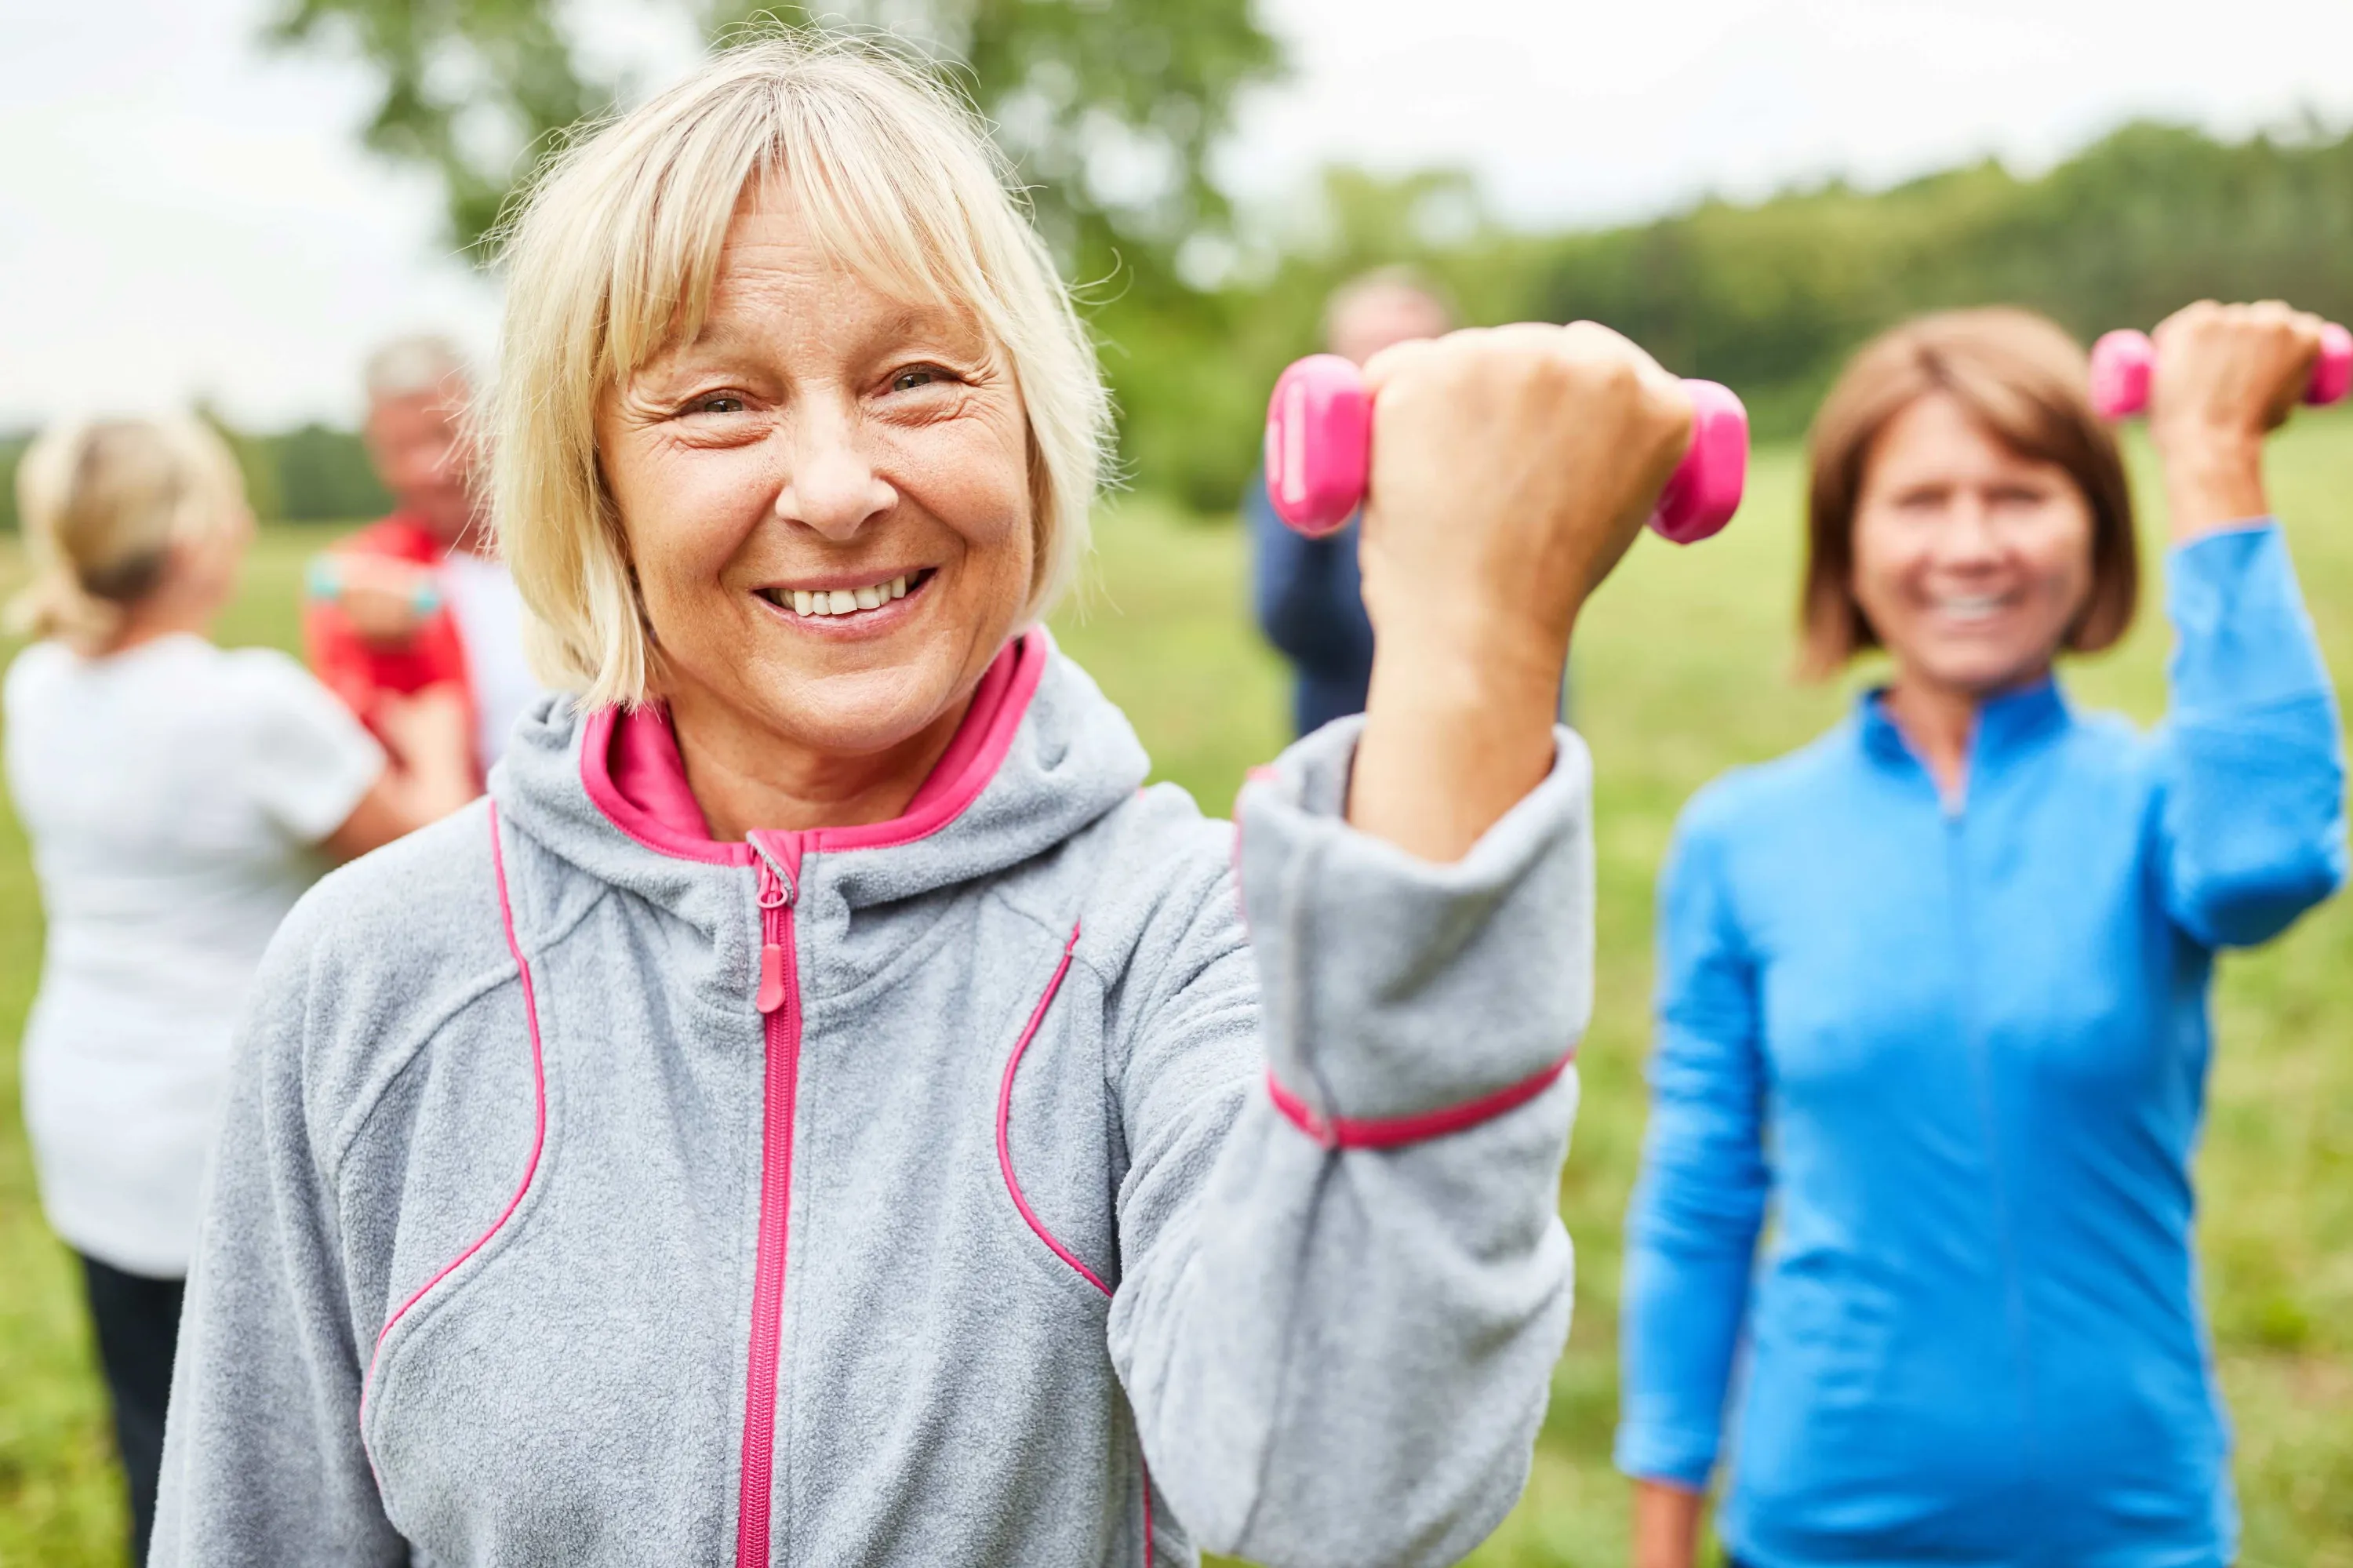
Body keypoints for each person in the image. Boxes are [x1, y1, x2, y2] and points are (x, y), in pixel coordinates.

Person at [151, 36, 1701, 1568]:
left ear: (1027, 427)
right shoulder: (372, 977)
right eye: (717, 404)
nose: (835, 487)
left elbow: (1340, 1490)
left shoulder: (1184, 941)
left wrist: (1470, 631)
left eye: (917, 379)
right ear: (592, 481)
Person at [1617, 304, 2346, 1568]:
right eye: (1920, 499)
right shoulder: (1742, 838)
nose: (1971, 544)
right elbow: (1700, 1197)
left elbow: (2270, 861)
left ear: (2097, 529)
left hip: (2137, 1522)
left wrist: (2214, 453)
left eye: (2019, 493)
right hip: (1817, 1525)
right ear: (1846, 541)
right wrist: (1662, 1533)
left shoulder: (2157, 806)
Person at [4, 415, 476, 1565]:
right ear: (190, 539)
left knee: (151, 1421)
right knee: (279, 1466)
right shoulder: (244, 705)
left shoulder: (37, 683)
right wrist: (432, 719)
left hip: (88, 1103)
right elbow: (436, 855)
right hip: (221, 1130)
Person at [304, 334, 545, 777]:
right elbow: (358, 762)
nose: (431, 469)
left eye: (446, 434)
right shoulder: (364, 575)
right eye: (401, 448)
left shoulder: (573, 540)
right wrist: (388, 655)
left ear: (491, 421)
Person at [1247, 268, 1453, 735]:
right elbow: (1283, 623)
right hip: (1342, 736)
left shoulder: (1489, 465)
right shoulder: (1299, 457)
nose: (1387, 365)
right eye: (1370, 347)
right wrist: (1318, 533)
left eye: (1410, 349)